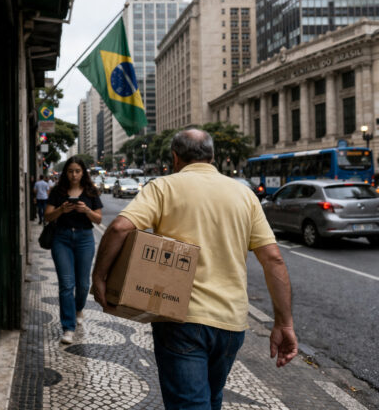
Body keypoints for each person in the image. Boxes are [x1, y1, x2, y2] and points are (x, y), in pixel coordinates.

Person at [92, 129, 297, 409]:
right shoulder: (244, 194)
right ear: (212, 157)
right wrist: (284, 323)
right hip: (230, 323)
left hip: (180, 318)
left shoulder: (164, 187)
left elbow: (119, 227)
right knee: (211, 399)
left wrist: (99, 276)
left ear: (175, 157)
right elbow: (273, 258)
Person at [44, 156, 103, 344]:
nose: (74, 174)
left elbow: (98, 219)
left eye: (77, 171)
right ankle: (68, 327)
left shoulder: (91, 191)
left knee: (83, 284)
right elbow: (47, 216)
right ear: (65, 173)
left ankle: (79, 309)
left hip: (85, 238)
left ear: (83, 172)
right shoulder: (58, 191)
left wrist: (86, 210)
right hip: (62, 238)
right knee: (67, 284)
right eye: (70, 171)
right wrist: (62, 210)